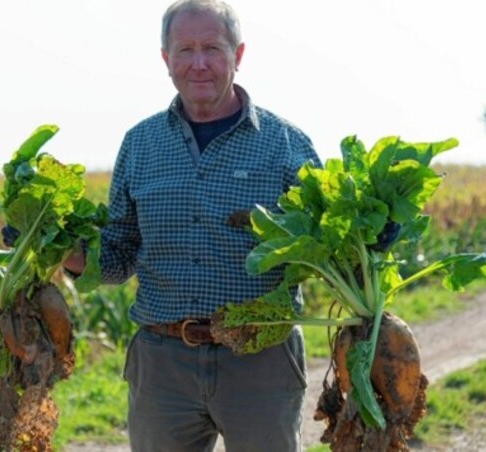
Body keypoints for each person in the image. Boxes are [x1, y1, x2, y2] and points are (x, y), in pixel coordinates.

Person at [63, 1, 321, 450]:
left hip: (259, 359)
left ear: (238, 56)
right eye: (185, 50)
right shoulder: (140, 144)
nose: (198, 64)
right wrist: (62, 248)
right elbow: (119, 255)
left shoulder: (286, 145)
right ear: (166, 59)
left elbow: (322, 248)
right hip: (163, 365)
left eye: (212, 48)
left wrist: (366, 247)